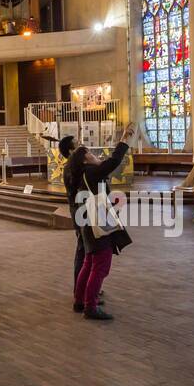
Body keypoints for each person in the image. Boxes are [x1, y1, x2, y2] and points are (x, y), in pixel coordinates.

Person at [61, 123, 135, 321]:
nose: (95, 155)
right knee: (101, 264)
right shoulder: (90, 172)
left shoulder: (76, 173)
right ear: (85, 158)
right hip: (97, 222)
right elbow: (113, 161)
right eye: (91, 154)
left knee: (89, 261)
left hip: (85, 221)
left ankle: (80, 300)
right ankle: (90, 306)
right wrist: (124, 139)